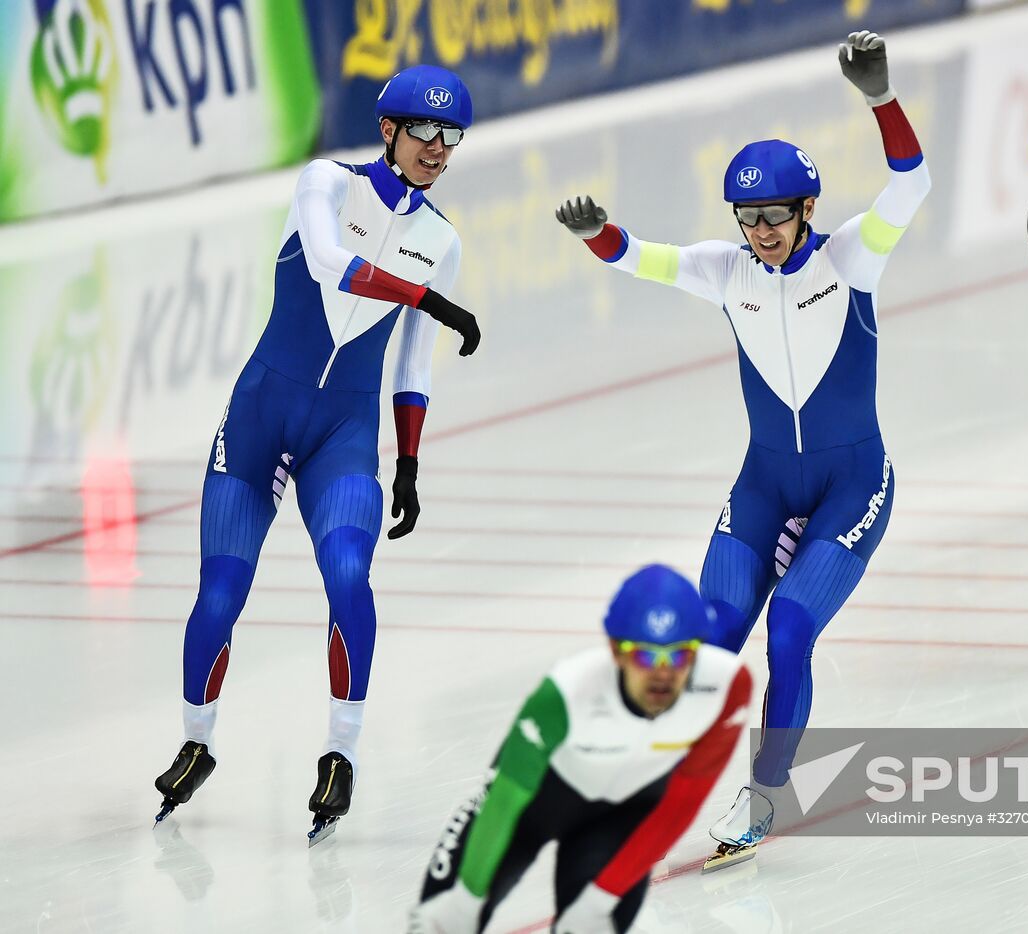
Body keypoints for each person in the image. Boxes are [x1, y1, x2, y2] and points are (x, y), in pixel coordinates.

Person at [554, 30, 928, 865]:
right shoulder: (727, 269)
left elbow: (913, 183)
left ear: (806, 211)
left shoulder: (850, 259)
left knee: (789, 632)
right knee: (711, 636)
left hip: (851, 483)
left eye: (774, 215)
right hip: (764, 484)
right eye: (746, 216)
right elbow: (645, 260)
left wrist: (880, 99)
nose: (759, 231)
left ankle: (764, 794)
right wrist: (599, 237)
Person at [151, 64, 484, 841]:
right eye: (424, 131)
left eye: (453, 135)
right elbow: (333, 260)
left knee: (347, 576)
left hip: (344, 434)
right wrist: (427, 297)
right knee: (221, 595)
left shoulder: (442, 241)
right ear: (387, 130)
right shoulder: (325, 184)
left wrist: (407, 462)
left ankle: (341, 753)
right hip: (263, 415)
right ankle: (197, 743)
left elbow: (411, 363)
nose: (438, 148)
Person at [406, 565, 751, 933]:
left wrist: (600, 898)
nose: (663, 673)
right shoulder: (566, 692)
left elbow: (681, 802)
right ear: (617, 652)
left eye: (679, 656)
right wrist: (466, 899)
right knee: (442, 920)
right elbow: (505, 801)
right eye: (646, 657)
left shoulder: (727, 686)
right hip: (533, 803)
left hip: (615, 817)